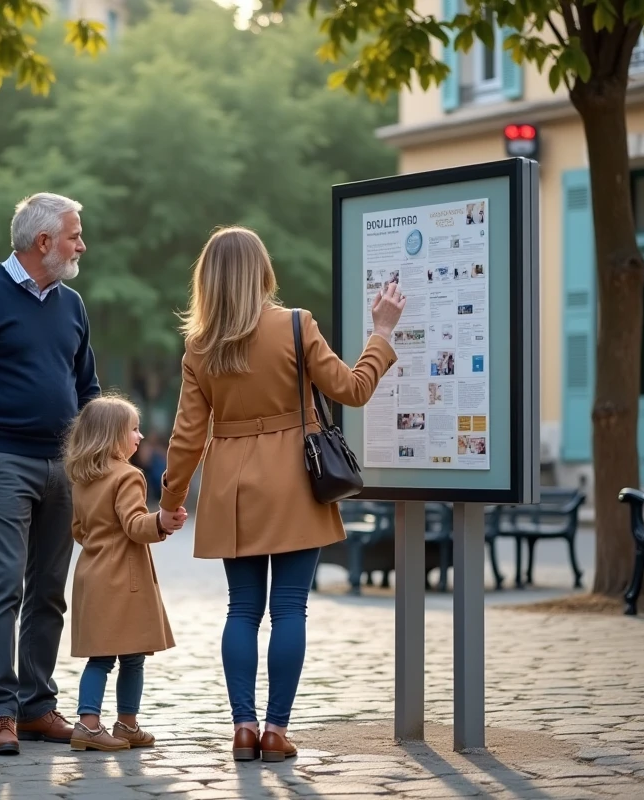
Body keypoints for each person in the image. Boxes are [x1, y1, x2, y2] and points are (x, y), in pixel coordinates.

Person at [157, 226, 405, 763]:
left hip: (231, 488)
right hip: (295, 479)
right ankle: (275, 731)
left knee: (242, 609)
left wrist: (171, 500)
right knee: (290, 607)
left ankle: (243, 728)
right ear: (263, 272)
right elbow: (352, 390)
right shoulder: (296, 326)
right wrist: (382, 333)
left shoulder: (201, 346)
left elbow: (187, 435)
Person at [0, 192, 101, 756]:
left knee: (50, 591)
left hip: (64, 466)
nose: (82, 244)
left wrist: (94, 452)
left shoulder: (72, 304)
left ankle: (36, 707)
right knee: (4, 585)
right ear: (43, 241)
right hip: (3, 460)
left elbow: (87, 389)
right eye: (75, 235)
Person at [61, 395, 185, 752]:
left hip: (91, 574)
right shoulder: (128, 476)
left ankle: (103, 723)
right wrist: (160, 522)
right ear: (113, 436)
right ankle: (104, 724)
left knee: (100, 654)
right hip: (123, 580)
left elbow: (79, 531)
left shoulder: (81, 480)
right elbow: (134, 526)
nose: (140, 436)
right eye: (133, 429)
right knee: (130, 657)